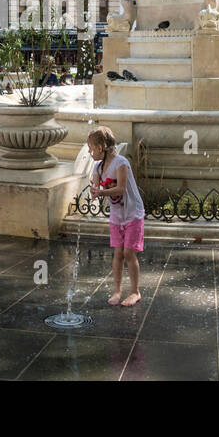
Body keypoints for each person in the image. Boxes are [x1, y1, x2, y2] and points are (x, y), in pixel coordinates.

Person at [88, 127, 145, 307]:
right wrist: (94, 190)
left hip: (132, 212)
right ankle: (117, 291)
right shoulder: (98, 167)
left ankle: (135, 291)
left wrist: (101, 193)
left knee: (129, 252)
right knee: (118, 253)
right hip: (116, 215)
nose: (89, 152)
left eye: (91, 148)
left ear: (100, 147)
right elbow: (96, 187)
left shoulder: (121, 163)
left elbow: (120, 188)